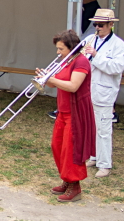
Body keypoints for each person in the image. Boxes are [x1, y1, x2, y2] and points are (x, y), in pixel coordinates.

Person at [43, 30, 95, 202]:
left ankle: (75, 186)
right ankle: (66, 179)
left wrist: (51, 79)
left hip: (76, 113)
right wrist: (46, 79)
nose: (58, 53)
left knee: (71, 150)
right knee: (57, 146)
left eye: (61, 49)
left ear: (71, 48)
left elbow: (73, 86)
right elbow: (59, 82)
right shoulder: (66, 61)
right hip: (63, 111)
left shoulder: (81, 62)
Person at [82, 9, 124, 178]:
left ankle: (105, 164)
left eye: (101, 25)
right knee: (91, 127)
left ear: (111, 25)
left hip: (104, 92)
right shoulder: (89, 40)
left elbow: (116, 67)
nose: (97, 27)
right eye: (95, 24)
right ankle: (94, 156)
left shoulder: (119, 45)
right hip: (88, 90)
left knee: (103, 129)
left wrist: (95, 56)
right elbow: (80, 59)